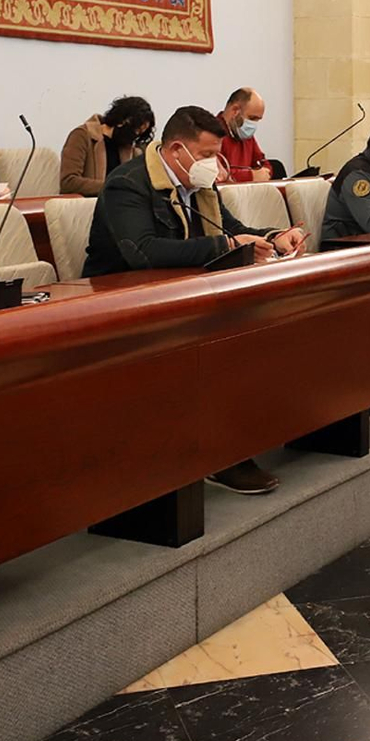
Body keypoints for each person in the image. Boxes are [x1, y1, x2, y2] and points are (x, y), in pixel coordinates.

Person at [82, 105, 305, 495]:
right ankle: (218, 453)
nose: (212, 165)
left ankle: (238, 441)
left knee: (255, 331)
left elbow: (231, 230)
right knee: (219, 347)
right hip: (120, 302)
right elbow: (144, 253)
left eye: (215, 155)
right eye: (205, 155)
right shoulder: (127, 185)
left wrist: (271, 237)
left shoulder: (199, 184)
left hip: (186, 290)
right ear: (175, 150)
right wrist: (227, 245)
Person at [60, 96, 154, 196]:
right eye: (135, 129)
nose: (135, 135)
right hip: (86, 207)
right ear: (122, 121)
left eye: (140, 133)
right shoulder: (82, 136)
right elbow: (68, 182)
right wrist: (113, 187)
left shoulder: (132, 150)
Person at [216, 87, 277, 181]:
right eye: (252, 118)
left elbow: (264, 164)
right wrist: (250, 175)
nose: (253, 125)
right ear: (235, 110)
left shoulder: (245, 135)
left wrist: (264, 172)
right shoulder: (212, 133)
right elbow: (218, 173)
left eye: (257, 120)